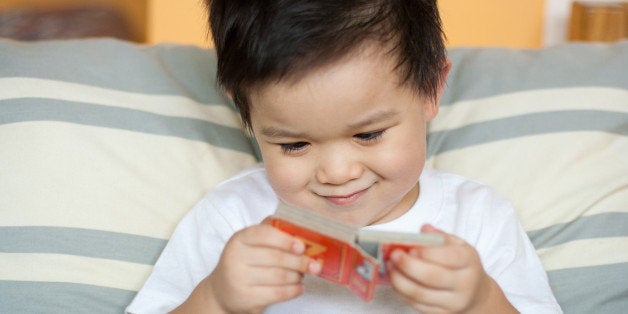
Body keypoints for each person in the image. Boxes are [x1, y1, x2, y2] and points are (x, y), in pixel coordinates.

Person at [127, 0, 562, 313]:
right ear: (245, 109)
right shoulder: (231, 217)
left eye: (369, 134)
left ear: (430, 88)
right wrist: (216, 300)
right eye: (293, 145)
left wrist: (482, 303)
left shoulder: (478, 219)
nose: (337, 173)